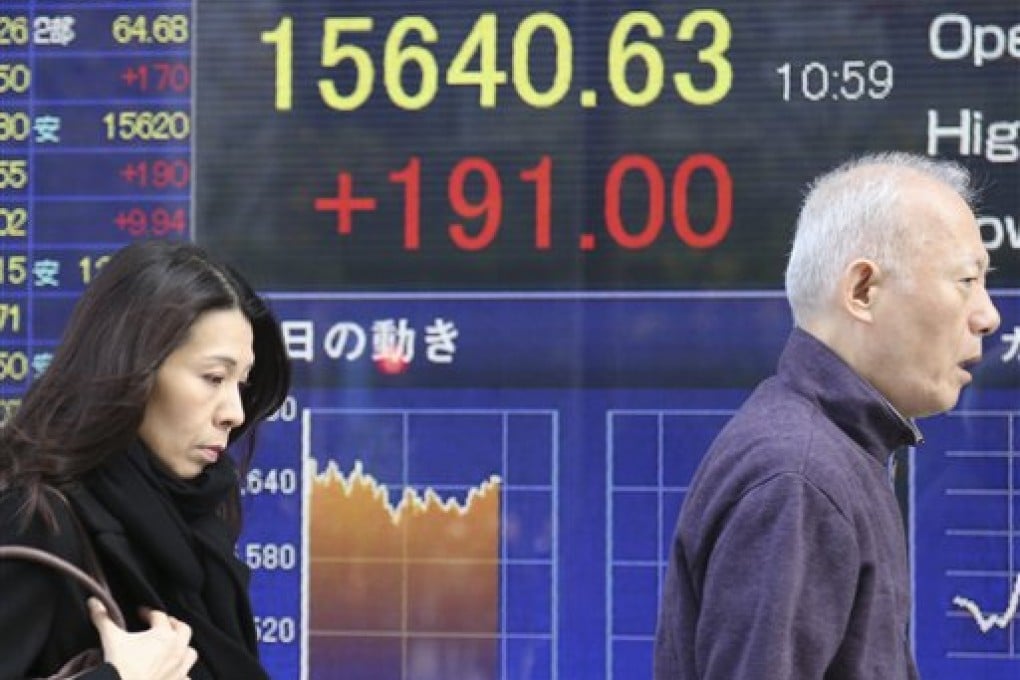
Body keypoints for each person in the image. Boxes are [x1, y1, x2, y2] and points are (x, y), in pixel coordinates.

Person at [654, 152, 1001, 679]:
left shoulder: (828, 454)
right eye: (966, 281)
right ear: (863, 290)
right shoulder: (800, 478)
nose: (988, 315)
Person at [0, 240, 291, 679]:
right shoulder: (35, 521)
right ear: (134, 370)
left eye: (241, 384)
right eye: (214, 377)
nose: (235, 412)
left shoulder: (197, 537)